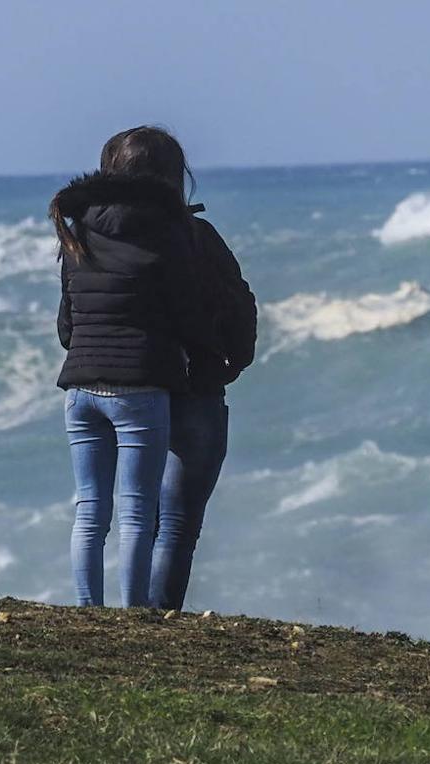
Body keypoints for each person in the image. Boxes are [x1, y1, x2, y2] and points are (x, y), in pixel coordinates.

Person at [50, 126, 221, 607]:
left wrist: (85, 349)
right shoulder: (169, 231)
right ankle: (133, 617)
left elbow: (68, 319)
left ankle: (87, 610)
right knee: (138, 510)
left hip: (80, 387)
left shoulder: (77, 226)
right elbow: (185, 312)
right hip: (140, 387)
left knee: (89, 509)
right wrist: (208, 355)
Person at [149, 198, 257, 611]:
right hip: (197, 386)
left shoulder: (92, 235)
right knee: (177, 523)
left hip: (123, 388)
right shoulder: (196, 236)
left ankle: (123, 614)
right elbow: (239, 302)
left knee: (137, 519)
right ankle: (155, 618)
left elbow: (73, 318)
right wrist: (233, 363)